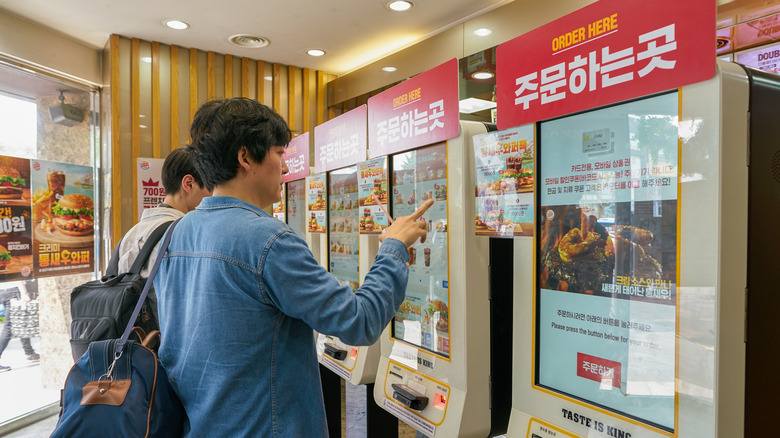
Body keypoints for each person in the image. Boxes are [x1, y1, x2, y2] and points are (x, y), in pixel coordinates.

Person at [155, 97, 432, 437]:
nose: (286, 168)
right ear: (246, 157)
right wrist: (394, 246)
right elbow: (359, 321)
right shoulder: (268, 240)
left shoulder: (177, 232)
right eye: (279, 153)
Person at [116, 146, 210, 322]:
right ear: (189, 184)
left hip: (130, 344)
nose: (212, 195)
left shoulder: (131, 233)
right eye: (210, 187)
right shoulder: (185, 235)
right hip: (161, 345)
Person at [0, 281, 39, 372]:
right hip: (12, 290)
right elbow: (18, 275)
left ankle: (29, 352)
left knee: (21, 321)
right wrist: (24, 292)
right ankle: (29, 352)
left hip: (2, 291)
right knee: (10, 326)